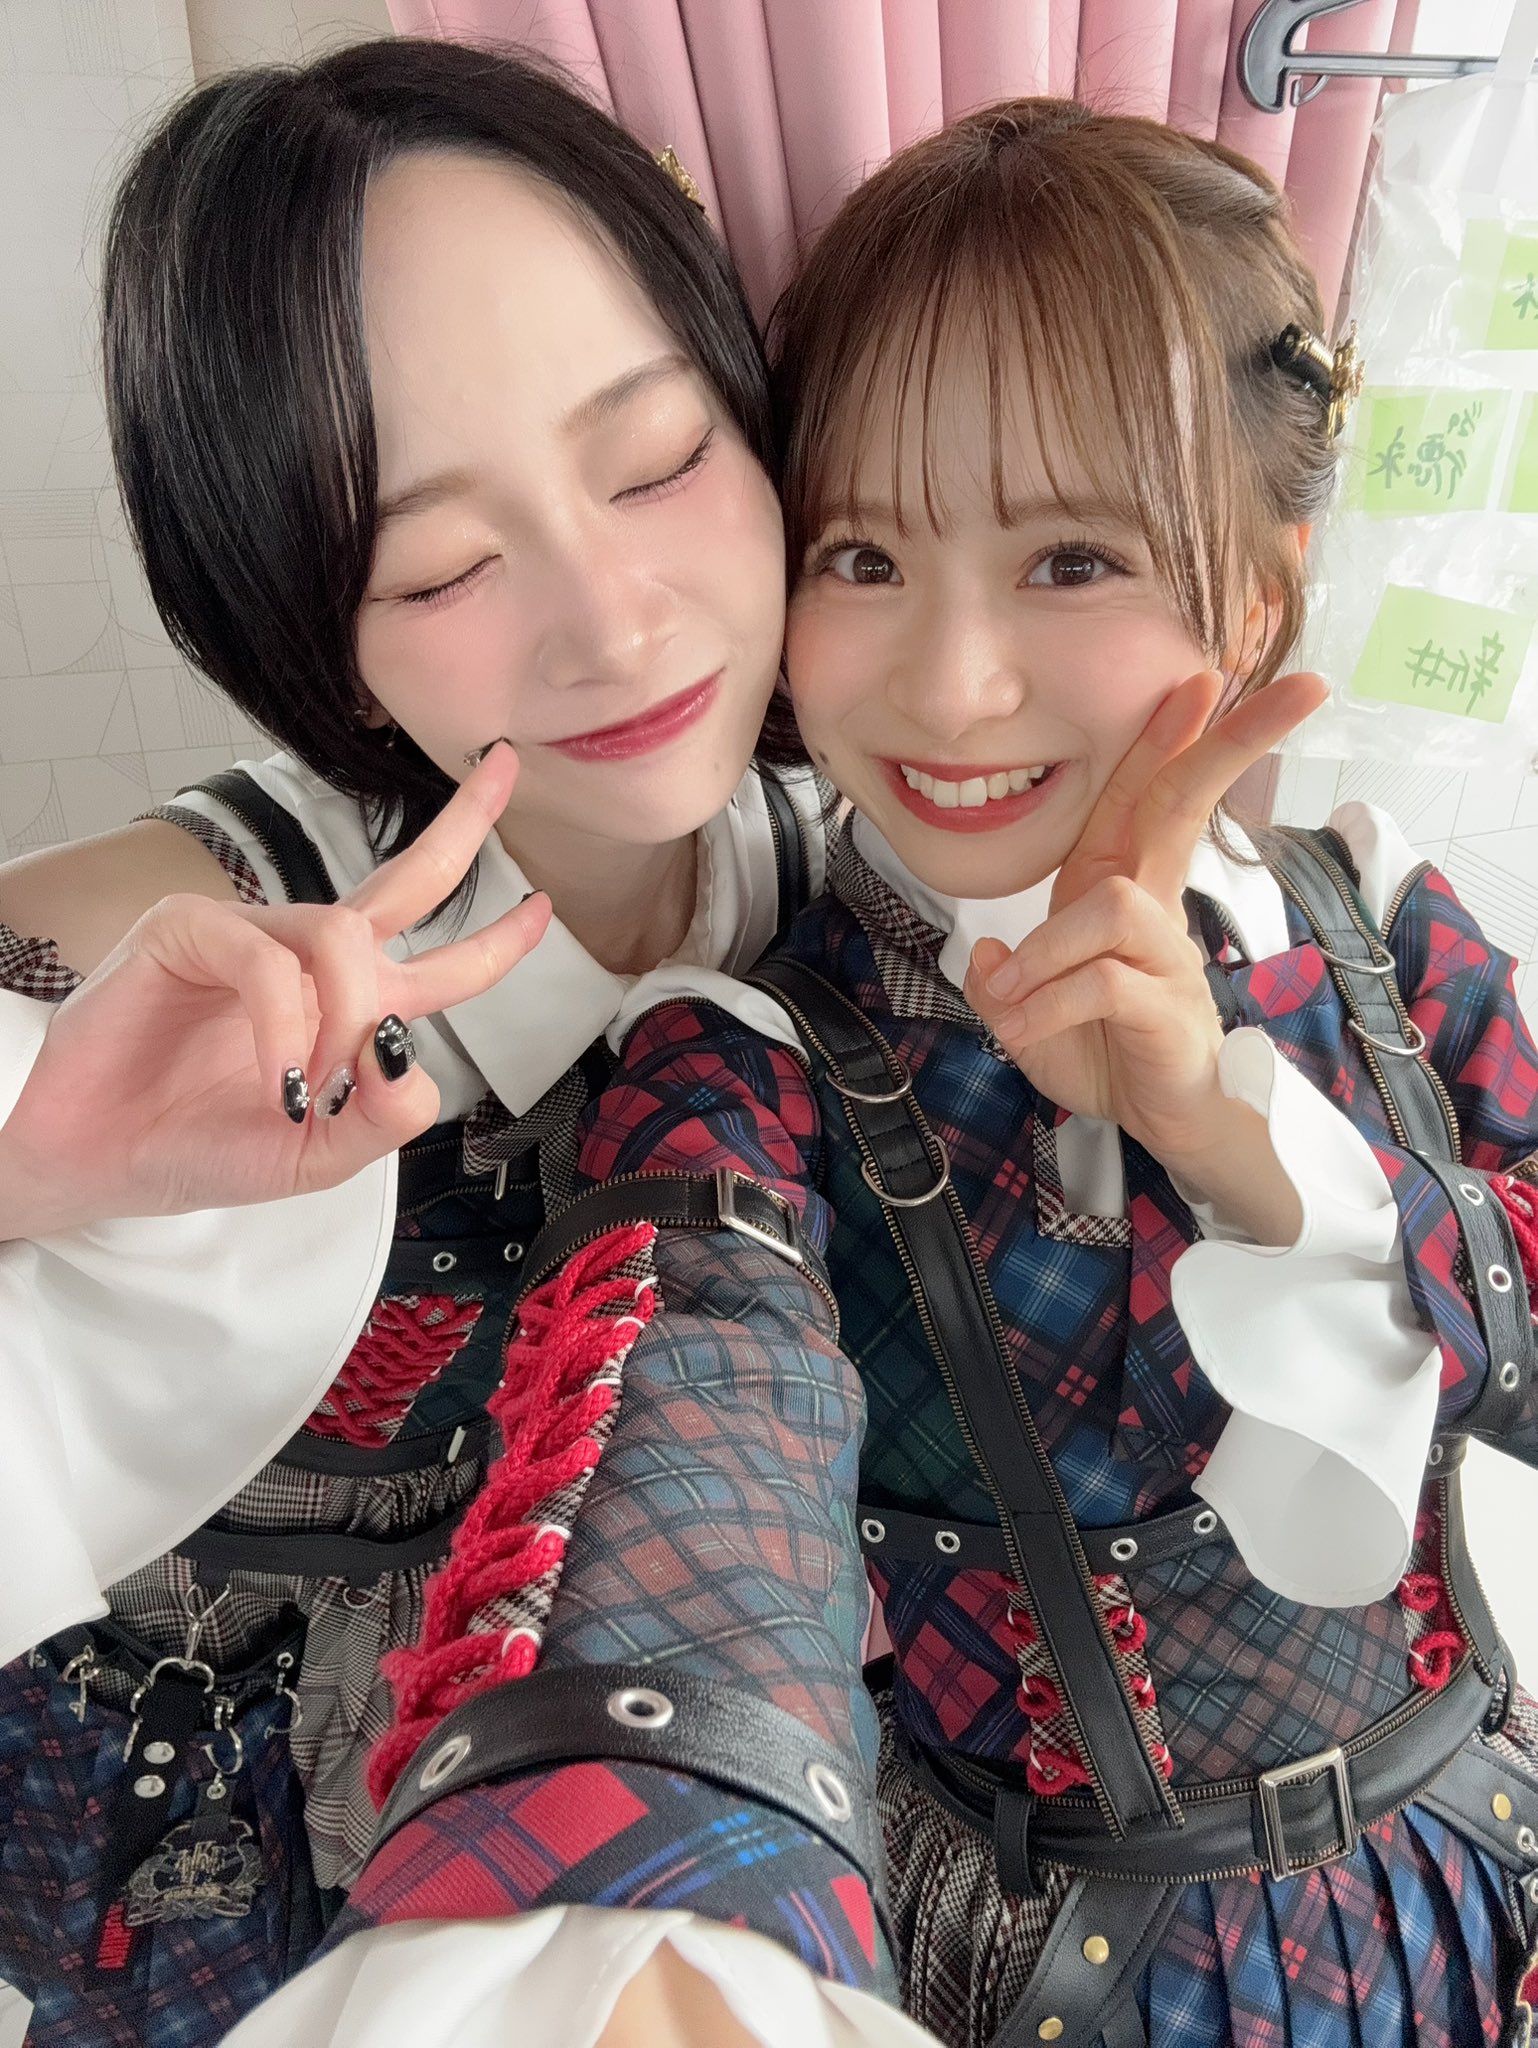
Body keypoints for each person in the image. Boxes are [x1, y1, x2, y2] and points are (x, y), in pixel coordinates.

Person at [223, 99, 1538, 2048]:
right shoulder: (741, 1052)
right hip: (1081, 1982)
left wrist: (1237, 1139)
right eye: (862, 552)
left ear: (1258, 594)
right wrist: (642, 1930)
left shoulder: (1377, 923)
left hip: (1468, 1882)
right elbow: (678, 1452)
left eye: (1070, 557)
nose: (948, 682)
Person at [0, 35, 827, 2047]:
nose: (614, 621)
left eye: (656, 460)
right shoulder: (222, 919)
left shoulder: (833, 848)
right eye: (444, 565)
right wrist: (29, 1155)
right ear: (323, 639)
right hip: (223, 1888)